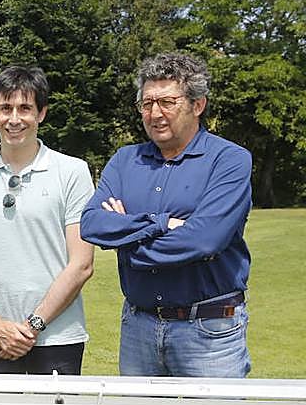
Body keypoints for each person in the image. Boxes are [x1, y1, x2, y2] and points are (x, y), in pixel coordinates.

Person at [80, 52, 252, 377]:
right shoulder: (124, 160)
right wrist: (161, 224)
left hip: (209, 332)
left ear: (197, 104)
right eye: (147, 104)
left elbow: (204, 240)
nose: (154, 113)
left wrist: (127, 242)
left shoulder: (229, 160)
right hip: (139, 327)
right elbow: (91, 224)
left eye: (167, 102)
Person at [0, 67, 95, 374]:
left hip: (58, 338)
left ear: (41, 113)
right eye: (5, 108)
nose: (14, 119)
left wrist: (33, 326)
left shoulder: (73, 172)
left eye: (25, 108)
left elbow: (81, 264)